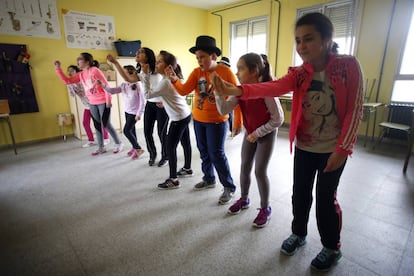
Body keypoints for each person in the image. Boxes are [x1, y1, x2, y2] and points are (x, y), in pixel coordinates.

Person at [211, 12, 364, 271]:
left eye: (308, 39)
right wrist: (235, 90)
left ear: (327, 39)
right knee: (300, 195)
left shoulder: (348, 66)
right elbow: (270, 87)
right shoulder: (299, 73)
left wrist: (343, 149)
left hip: (332, 150)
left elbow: (354, 110)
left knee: (326, 200)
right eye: (298, 40)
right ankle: (299, 234)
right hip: (305, 147)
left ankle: (331, 247)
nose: (302, 46)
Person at [167, 35, 242, 205]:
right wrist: (174, 80)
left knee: (216, 154)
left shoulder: (225, 72)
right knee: (203, 151)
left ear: (213, 56)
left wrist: (238, 120)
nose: (199, 61)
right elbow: (184, 91)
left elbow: (238, 95)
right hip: (199, 120)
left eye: (202, 57)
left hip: (217, 121)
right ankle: (209, 178)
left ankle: (229, 186)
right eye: (197, 57)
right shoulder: (196, 72)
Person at [215, 53, 284, 228]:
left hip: (265, 134)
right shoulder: (240, 91)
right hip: (250, 133)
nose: (236, 73)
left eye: (241, 69)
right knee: (245, 166)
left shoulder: (267, 91)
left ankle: (265, 208)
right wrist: (217, 92)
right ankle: (244, 199)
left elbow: (278, 119)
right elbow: (224, 110)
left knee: (260, 171)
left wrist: (258, 132)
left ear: (254, 70)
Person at [107, 48, 169, 167]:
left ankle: (165, 156)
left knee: (162, 133)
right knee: (147, 132)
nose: (137, 53)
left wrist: (166, 100)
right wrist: (115, 63)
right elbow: (128, 79)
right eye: (137, 52)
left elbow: (169, 83)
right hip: (150, 105)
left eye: (141, 52)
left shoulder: (157, 68)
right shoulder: (140, 71)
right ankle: (152, 155)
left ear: (148, 56)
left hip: (162, 105)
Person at [54, 53, 124, 155]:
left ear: (87, 62)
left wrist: (108, 101)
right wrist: (58, 69)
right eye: (77, 58)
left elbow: (106, 85)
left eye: (80, 59)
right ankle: (101, 147)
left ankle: (118, 143)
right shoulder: (81, 74)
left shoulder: (95, 70)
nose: (77, 60)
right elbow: (67, 81)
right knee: (97, 125)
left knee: (106, 124)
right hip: (92, 103)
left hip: (103, 101)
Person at [142, 50, 192, 189]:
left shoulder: (165, 82)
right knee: (185, 142)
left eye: (159, 62)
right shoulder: (174, 77)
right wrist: (164, 100)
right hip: (185, 114)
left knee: (170, 147)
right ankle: (187, 168)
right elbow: (175, 94)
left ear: (168, 66)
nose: (156, 64)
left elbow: (147, 94)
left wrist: (145, 75)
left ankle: (173, 179)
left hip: (178, 118)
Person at [97, 65, 146, 160]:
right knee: (132, 130)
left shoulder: (138, 85)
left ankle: (138, 148)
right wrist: (103, 86)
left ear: (131, 73)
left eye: (124, 73)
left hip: (134, 113)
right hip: (127, 111)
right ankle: (134, 147)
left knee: (126, 131)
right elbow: (112, 91)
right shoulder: (124, 84)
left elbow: (143, 101)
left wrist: (139, 114)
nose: (122, 75)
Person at [66, 65, 110, 148]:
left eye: (72, 70)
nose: (69, 72)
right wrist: (70, 85)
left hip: (94, 103)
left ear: (77, 72)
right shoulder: (72, 83)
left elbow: (89, 89)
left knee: (99, 122)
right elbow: (72, 94)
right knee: (85, 123)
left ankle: (106, 138)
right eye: (68, 71)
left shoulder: (83, 79)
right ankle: (91, 140)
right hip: (87, 105)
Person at [218, 56, 233, 134]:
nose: (222, 65)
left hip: (228, 99)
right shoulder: (216, 73)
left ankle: (232, 130)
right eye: (221, 63)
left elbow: (233, 86)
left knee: (230, 116)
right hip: (219, 99)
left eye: (224, 64)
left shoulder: (229, 74)